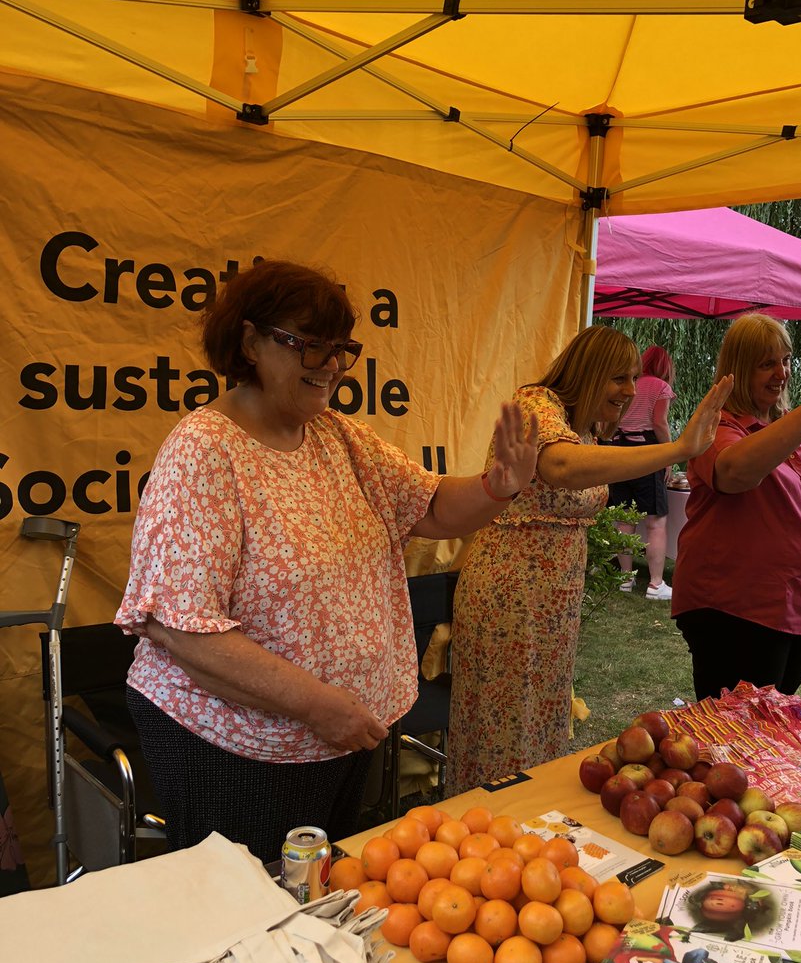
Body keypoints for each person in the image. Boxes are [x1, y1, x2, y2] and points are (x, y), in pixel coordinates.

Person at [115, 260, 540, 864]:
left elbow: (436, 508)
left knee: (315, 897)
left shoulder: (338, 437)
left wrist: (498, 486)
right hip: (236, 749)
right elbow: (183, 631)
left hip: (338, 735)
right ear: (250, 342)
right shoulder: (203, 452)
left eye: (341, 348)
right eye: (310, 344)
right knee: (253, 915)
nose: (333, 364)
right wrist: (319, 707)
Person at [446, 325, 733, 795]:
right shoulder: (534, 403)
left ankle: (527, 822)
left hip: (548, 602)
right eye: (617, 377)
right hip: (511, 596)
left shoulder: (577, 426)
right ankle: (486, 824)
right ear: (587, 370)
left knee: (537, 721)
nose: (629, 390)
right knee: (504, 729)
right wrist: (679, 449)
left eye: (634, 378)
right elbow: (557, 467)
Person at [671, 312, 801, 703]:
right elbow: (736, 474)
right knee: (735, 731)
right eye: (766, 363)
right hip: (736, 606)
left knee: (770, 725)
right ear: (738, 369)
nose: (781, 373)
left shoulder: (789, 423)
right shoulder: (716, 425)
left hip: (796, 602)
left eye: (785, 360)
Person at [609, 345, 677, 600]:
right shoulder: (660, 387)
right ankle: (656, 584)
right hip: (647, 453)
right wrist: (670, 454)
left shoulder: (630, 384)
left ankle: (625, 579)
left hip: (621, 452)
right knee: (655, 522)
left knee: (625, 519)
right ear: (665, 366)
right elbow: (659, 422)